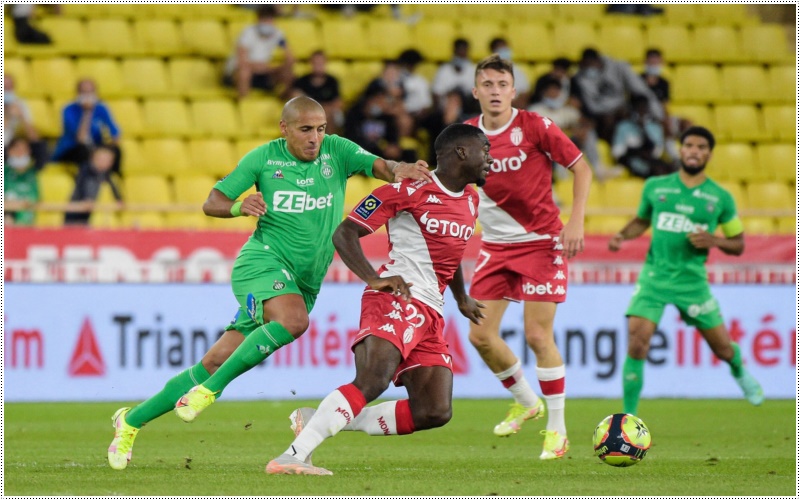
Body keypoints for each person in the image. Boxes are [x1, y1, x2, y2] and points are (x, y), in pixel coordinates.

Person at [107, 96, 432, 470]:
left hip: (305, 281)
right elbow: (213, 201)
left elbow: (383, 167)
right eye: (306, 129)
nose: (315, 137)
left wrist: (401, 167)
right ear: (285, 128)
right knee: (293, 321)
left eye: (321, 129)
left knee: (215, 360)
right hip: (261, 263)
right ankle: (210, 393)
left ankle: (129, 421)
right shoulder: (263, 159)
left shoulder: (338, 152)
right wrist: (237, 206)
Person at [265, 123, 491, 475]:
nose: (490, 159)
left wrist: (461, 297)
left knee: (434, 410)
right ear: (462, 152)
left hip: (432, 310)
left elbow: (451, 253)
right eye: (485, 151)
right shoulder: (407, 190)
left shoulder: (472, 201)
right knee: (373, 378)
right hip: (396, 298)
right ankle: (292, 456)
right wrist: (374, 278)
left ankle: (320, 421)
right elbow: (345, 233)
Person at [464, 55, 593, 460]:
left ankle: (557, 429)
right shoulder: (465, 135)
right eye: (488, 84)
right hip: (496, 247)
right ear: (476, 91)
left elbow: (582, 168)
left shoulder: (535, 125)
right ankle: (525, 400)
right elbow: (452, 184)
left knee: (538, 335)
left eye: (502, 84)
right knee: (480, 335)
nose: (495, 91)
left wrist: (575, 222)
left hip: (542, 242)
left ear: (514, 91)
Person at [607, 126, 764, 416]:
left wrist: (714, 240)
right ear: (680, 150)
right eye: (689, 145)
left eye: (701, 147)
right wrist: (622, 235)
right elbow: (642, 220)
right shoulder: (656, 187)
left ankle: (738, 366)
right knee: (637, 343)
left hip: (692, 281)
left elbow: (739, 244)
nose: (694, 151)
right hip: (654, 276)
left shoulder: (720, 198)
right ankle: (628, 419)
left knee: (723, 350)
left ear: (709, 154)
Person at [571, 48, 663, 143]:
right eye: (587, 65)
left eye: (592, 64)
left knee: (641, 113)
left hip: (622, 110)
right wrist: (610, 111)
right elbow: (592, 107)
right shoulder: (580, 78)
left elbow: (641, 90)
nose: (590, 68)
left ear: (598, 61)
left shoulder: (619, 67)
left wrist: (659, 115)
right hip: (600, 117)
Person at [51, 79, 122, 175]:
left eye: (91, 92)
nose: (88, 96)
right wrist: (87, 112)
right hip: (72, 149)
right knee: (83, 151)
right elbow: (81, 139)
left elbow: (115, 134)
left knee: (116, 151)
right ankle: (86, 180)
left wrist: (108, 150)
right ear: (78, 94)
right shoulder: (69, 110)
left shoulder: (101, 108)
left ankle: (112, 180)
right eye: (84, 92)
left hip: (94, 147)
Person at [224, 4, 295, 98]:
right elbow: (242, 62)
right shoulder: (248, 33)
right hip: (237, 73)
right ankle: (244, 104)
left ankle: (282, 103)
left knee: (288, 74)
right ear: (258, 19)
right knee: (244, 72)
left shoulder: (277, 34)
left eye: (270, 19)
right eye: (264, 19)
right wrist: (265, 67)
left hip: (262, 73)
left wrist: (278, 67)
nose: (267, 22)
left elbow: (290, 57)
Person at [610, 94, 673, 179]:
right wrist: (638, 152)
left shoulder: (654, 127)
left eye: (644, 108)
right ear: (632, 109)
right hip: (632, 161)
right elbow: (617, 153)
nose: (642, 111)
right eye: (638, 108)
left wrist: (642, 129)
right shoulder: (623, 127)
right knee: (657, 171)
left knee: (671, 169)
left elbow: (656, 151)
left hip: (651, 160)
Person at [64, 145, 123, 225]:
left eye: (108, 160)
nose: (105, 162)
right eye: (102, 159)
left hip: (91, 216)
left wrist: (118, 199)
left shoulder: (107, 175)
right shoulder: (85, 171)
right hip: (77, 216)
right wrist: (88, 199)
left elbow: (115, 190)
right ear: (93, 158)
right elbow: (86, 187)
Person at [290, 50, 344, 134]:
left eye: (320, 63)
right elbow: (295, 99)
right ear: (311, 63)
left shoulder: (332, 81)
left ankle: (329, 143)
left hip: (328, 114)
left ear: (325, 63)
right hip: (307, 113)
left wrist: (323, 110)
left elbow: (338, 103)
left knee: (330, 116)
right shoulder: (302, 81)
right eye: (315, 63)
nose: (318, 65)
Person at [4, 137, 39, 226]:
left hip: (27, 227)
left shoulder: (33, 174)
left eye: (24, 150)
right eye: (17, 149)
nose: (20, 153)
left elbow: (36, 199)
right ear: (9, 151)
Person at [488, 37, 531, 108]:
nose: (504, 51)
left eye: (505, 47)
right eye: (500, 48)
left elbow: (525, 94)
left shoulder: (519, 72)